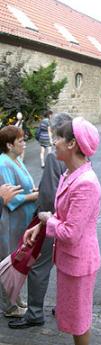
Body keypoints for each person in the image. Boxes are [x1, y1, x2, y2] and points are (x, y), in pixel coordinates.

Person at [23, 117, 101, 345]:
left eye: (58, 138)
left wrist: (47, 219)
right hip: (70, 260)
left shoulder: (86, 183)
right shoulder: (71, 173)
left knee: (79, 316)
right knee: (72, 313)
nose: (53, 142)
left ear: (72, 144)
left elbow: (70, 232)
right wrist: (40, 226)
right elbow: (61, 213)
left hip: (80, 262)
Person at [8, 113, 71, 330]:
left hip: (50, 220)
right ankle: (64, 306)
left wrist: (42, 219)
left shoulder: (54, 156)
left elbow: (50, 194)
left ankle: (34, 313)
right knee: (64, 266)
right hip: (66, 221)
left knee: (38, 267)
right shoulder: (79, 155)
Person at [0, 125, 39, 317]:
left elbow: (25, 186)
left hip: (23, 220)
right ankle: (8, 306)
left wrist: (33, 191)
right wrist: (34, 196)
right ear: (9, 145)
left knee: (19, 261)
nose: (24, 144)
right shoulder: (3, 163)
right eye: (20, 141)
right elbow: (11, 198)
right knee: (8, 261)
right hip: (10, 222)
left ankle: (16, 299)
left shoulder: (17, 160)